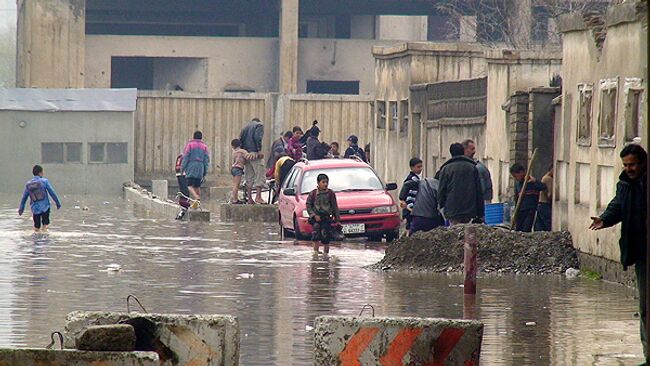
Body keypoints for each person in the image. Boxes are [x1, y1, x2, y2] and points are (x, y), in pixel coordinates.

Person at [590, 144, 647, 360]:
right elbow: (618, 205)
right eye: (625, 165)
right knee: (645, 307)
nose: (629, 168)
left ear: (643, 163)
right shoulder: (625, 184)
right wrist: (604, 219)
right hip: (641, 252)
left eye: (632, 164)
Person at [436, 143, 484, 225]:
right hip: (470, 209)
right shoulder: (472, 168)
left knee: (454, 233)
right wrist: (480, 213)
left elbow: (441, 191)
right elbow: (479, 191)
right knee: (468, 232)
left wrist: (442, 207)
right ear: (463, 152)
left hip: (452, 209)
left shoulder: (446, 169)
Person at [18, 165, 61, 232]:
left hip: (35, 209)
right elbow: (52, 193)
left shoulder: (28, 184)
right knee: (45, 225)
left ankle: (36, 240)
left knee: (36, 227)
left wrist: (21, 209)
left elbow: (24, 197)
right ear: (40, 173)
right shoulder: (44, 181)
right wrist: (58, 203)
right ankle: (44, 239)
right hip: (45, 207)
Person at [306, 173, 341, 254]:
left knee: (326, 237)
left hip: (326, 218)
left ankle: (326, 255)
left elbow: (335, 207)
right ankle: (315, 254)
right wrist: (314, 215)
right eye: (323, 182)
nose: (325, 184)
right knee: (316, 236)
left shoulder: (330, 193)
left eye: (326, 182)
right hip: (316, 219)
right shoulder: (313, 194)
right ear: (318, 183)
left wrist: (337, 220)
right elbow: (308, 206)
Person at [510, 163, 547, 232]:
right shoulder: (518, 184)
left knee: (526, 229)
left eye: (516, 176)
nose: (515, 178)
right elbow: (517, 198)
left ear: (521, 172)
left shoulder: (531, 182)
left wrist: (535, 181)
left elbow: (543, 187)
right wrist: (515, 213)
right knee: (518, 229)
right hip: (520, 210)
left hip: (530, 210)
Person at [239, 118, 266, 204]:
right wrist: (259, 150)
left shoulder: (245, 127)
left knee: (249, 177)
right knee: (260, 175)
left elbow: (240, 140)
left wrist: (245, 153)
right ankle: (258, 196)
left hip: (247, 155)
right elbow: (257, 138)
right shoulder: (259, 125)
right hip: (255, 154)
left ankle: (249, 198)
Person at [181, 130, 210, 203]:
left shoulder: (190, 145)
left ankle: (197, 197)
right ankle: (198, 202)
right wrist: (205, 172)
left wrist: (182, 168)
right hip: (200, 167)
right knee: (197, 186)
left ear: (193, 137)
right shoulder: (204, 147)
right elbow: (206, 160)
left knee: (189, 185)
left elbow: (186, 157)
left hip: (191, 166)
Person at [399, 158, 423, 231]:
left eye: (421, 166)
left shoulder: (415, 178)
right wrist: (411, 208)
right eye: (418, 167)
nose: (420, 169)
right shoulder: (413, 180)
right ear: (412, 167)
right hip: (410, 209)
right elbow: (410, 196)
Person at [535, 164, 553, 231]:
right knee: (548, 223)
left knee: (540, 225)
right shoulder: (548, 179)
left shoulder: (545, 177)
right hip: (545, 204)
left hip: (541, 204)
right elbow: (549, 194)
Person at [230, 139, 247, 204]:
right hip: (238, 169)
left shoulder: (234, 152)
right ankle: (235, 200)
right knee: (236, 185)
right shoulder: (242, 151)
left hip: (233, 168)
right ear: (240, 144)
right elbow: (247, 156)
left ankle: (234, 198)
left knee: (234, 184)